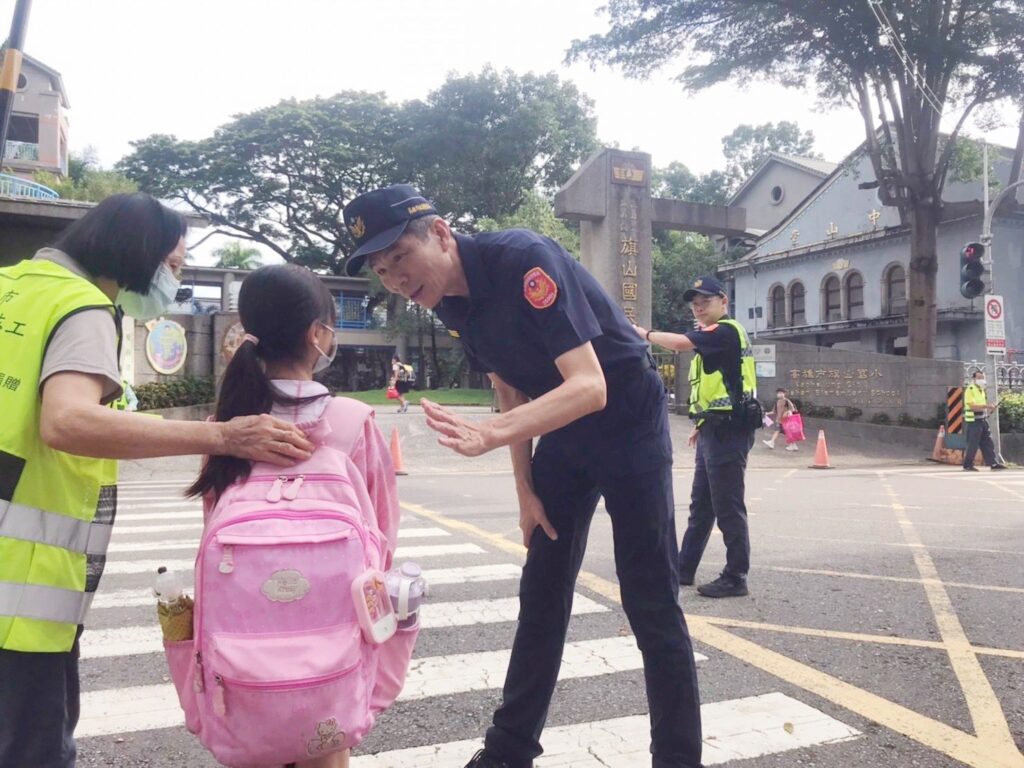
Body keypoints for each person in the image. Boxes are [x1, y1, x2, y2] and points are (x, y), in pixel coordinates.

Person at [342, 185, 703, 768]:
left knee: (650, 599)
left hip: (627, 420)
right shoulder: (448, 301)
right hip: (561, 427)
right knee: (541, 591)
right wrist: (526, 492)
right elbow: (508, 385)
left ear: (440, 233)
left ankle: (679, 760)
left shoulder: (524, 261)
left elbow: (590, 385)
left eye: (401, 258)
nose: (396, 279)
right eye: (382, 270)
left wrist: (491, 435)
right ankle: (508, 753)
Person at [0, 193, 314, 768]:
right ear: (136, 254)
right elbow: (67, 419)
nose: (176, 278)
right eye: (172, 265)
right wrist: (221, 436)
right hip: (19, 588)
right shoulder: (82, 306)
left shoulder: (10, 285)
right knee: (31, 748)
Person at [187, 264, 405, 768]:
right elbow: (382, 539)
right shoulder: (352, 423)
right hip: (332, 645)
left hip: (243, 649)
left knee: (253, 744)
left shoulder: (224, 426)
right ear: (317, 334)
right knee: (326, 751)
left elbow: (211, 528)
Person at [633, 276, 758, 599]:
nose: (699, 307)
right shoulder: (712, 338)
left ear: (723, 302)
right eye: (695, 303)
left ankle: (736, 575)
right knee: (701, 505)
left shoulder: (725, 331)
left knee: (728, 505)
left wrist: (643, 333)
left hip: (729, 431)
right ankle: (682, 569)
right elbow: (722, 387)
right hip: (714, 428)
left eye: (706, 301)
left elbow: (677, 343)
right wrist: (701, 424)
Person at [962, 369, 1007, 472]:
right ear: (973, 379)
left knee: (988, 442)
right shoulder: (971, 389)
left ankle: (993, 463)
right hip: (973, 421)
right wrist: (987, 406)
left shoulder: (981, 390)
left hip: (982, 420)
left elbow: (981, 406)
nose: (981, 380)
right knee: (972, 444)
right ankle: (967, 465)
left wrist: (988, 408)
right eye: (979, 378)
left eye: (982, 378)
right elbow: (972, 406)